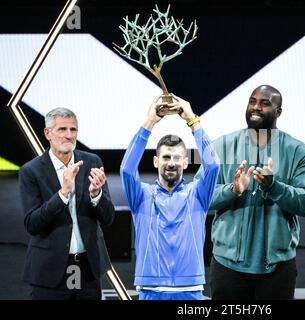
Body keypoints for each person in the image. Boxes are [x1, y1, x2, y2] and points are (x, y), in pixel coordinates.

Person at [197, 85, 305, 300]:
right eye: (252, 101)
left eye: (264, 103)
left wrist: (274, 187)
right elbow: (198, 198)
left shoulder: (299, 152)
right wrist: (232, 190)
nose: (256, 107)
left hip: (277, 268)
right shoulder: (220, 146)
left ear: (278, 112)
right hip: (228, 266)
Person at [120, 94, 220, 300]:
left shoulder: (197, 195)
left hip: (190, 289)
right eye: (166, 157)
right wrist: (150, 122)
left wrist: (192, 120)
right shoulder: (141, 196)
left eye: (177, 158)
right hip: (151, 289)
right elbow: (127, 170)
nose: (171, 163)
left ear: (185, 162)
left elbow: (213, 166)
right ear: (156, 161)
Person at [19, 107, 115, 300]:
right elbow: (32, 224)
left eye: (73, 130)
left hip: (87, 268)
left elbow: (108, 218)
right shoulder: (31, 171)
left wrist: (96, 195)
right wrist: (62, 194)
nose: (69, 135)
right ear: (48, 133)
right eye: (62, 129)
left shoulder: (92, 162)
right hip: (50, 269)